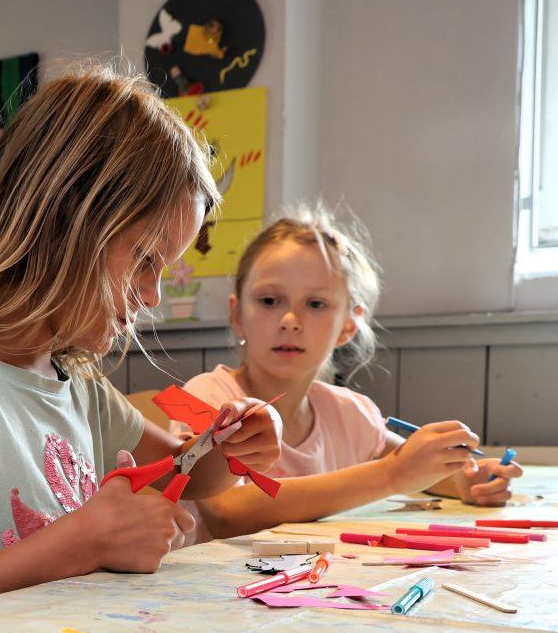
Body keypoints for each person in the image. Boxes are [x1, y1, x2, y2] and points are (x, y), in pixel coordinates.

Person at [0, 66, 282, 622]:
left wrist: (236, 444)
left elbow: (188, 474)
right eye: (145, 259)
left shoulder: (78, 389)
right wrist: (80, 544)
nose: (153, 296)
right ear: (66, 222)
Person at [177, 203, 523, 539]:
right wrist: (391, 475)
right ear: (237, 314)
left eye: (316, 304)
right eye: (269, 301)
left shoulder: (349, 414)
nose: (290, 321)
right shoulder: (205, 396)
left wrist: (468, 479)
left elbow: (415, 466)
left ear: (348, 325)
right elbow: (225, 512)